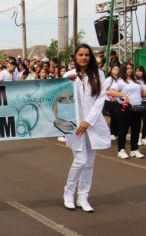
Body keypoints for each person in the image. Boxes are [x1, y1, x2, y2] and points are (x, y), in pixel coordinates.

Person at [63, 44, 111, 212]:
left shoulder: (99, 74)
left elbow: (100, 100)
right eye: (80, 54)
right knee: (80, 160)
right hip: (75, 125)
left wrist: (88, 121)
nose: (84, 57)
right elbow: (62, 98)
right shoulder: (69, 76)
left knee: (89, 163)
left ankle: (83, 196)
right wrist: (68, 82)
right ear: (75, 57)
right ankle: (68, 193)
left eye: (87, 55)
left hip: (92, 124)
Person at [109, 63, 146, 159]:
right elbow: (111, 91)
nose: (130, 70)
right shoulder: (120, 81)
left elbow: (142, 93)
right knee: (123, 129)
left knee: (136, 129)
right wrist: (122, 95)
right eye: (127, 68)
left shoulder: (137, 81)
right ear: (123, 70)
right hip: (124, 109)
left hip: (137, 108)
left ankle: (134, 149)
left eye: (131, 68)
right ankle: (121, 150)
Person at [104, 63, 120, 140]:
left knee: (118, 117)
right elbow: (104, 91)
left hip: (119, 101)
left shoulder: (121, 79)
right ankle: (112, 132)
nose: (116, 70)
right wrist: (111, 97)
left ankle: (117, 132)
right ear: (111, 70)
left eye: (117, 69)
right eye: (114, 69)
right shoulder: (108, 80)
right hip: (110, 101)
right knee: (113, 117)